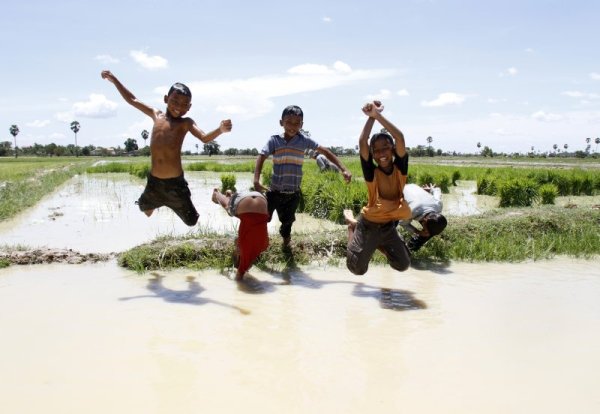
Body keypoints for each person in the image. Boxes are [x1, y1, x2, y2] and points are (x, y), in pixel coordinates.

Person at [101, 70, 232, 226]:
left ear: (189, 107)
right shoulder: (156, 115)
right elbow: (132, 99)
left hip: (176, 184)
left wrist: (220, 130)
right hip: (154, 182)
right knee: (145, 209)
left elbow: (204, 138)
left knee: (191, 221)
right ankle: (156, 202)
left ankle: (213, 195)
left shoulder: (186, 123)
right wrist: (115, 80)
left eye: (184, 104)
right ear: (165, 99)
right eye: (175, 101)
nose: (179, 107)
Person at [253, 105, 352, 247]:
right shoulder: (274, 141)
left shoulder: (304, 141)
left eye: (297, 123)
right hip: (274, 192)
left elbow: (326, 151)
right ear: (281, 122)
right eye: (289, 122)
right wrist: (256, 180)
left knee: (287, 223)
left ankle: (286, 244)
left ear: (302, 124)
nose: (292, 126)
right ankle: (258, 243)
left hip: (293, 194)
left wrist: (344, 169)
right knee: (263, 218)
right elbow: (262, 156)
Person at [343, 101, 411, 275]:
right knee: (356, 269)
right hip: (368, 224)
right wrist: (371, 117)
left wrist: (378, 114)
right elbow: (362, 140)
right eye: (377, 150)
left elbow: (400, 137)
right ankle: (352, 227)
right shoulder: (371, 173)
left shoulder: (400, 169)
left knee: (402, 265)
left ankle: (379, 243)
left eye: (386, 148)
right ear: (372, 154)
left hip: (388, 225)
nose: (382, 154)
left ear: (394, 150)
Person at [212, 189, 269, 281]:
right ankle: (216, 194)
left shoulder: (264, 245)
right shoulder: (244, 263)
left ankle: (230, 196)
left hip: (261, 199)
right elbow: (238, 279)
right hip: (246, 203)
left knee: (237, 212)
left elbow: (247, 237)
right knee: (228, 207)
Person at [399, 183, 447, 252]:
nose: (426, 231)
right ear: (424, 221)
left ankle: (411, 247)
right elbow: (402, 223)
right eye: (425, 229)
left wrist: (431, 189)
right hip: (400, 191)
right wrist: (418, 231)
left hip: (414, 188)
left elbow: (437, 190)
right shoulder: (411, 211)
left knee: (430, 231)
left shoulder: (438, 205)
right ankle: (407, 250)